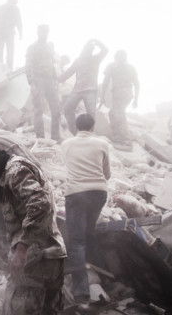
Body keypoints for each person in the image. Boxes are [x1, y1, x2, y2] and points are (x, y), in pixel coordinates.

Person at [0, 144, 66, 314]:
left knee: (15, 310)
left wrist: (21, 249)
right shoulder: (8, 176)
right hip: (47, 255)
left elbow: (41, 204)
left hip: (36, 259)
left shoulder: (15, 172)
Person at [61, 114, 110, 306]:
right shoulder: (103, 144)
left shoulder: (66, 144)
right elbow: (107, 174)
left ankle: (81, 293)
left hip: (76, 194)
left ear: (76, 126)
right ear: (92, 128)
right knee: (89, 233)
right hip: (99, 193)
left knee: (77, 242)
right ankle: (106, 277)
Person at [58, 39, 109, 135]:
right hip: (77, 90)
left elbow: (105, 50)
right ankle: (75, 133)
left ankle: (88, 134)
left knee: (91, 114)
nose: (87, 51)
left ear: (91, 51)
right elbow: (68, 72)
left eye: (90, 49)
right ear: (83, 49)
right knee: (68, 109)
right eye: (86, 48)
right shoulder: (78, 61)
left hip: (90, 90)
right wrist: (56, 80)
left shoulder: (95, 59)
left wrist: (97, 41)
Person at [25, 24, 61, 141]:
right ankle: (40, 137)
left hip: (49, 80)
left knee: (56, 108)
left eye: (46, 32)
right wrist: (31, 83)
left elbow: (52, 63)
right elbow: (28, 66)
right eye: (42, 32)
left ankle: (55, 136)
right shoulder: (32, 48)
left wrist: (55, 79)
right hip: (38, 80)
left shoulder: (50, 47)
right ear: (38, 32)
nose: (44, 34)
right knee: (38, 109)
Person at [100, 50, 140, 147]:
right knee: (113, 113)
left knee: (120, 115)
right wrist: (135, 99)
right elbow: (137, 84)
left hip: (120, 93)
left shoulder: (112, 66)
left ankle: (126, 140)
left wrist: (102, 96)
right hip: (127, 93)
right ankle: (117, 137)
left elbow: (105, 82)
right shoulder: (130, 67)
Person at [0, 0, 22, 70]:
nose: (17, 0)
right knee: (4, 50)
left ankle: (6, 67)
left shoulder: (2, 8)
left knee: (6, 50)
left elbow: (18, 21)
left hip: (5, 31)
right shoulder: (12, 8)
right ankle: (4, 67)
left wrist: (20, 31)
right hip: (3, 31)